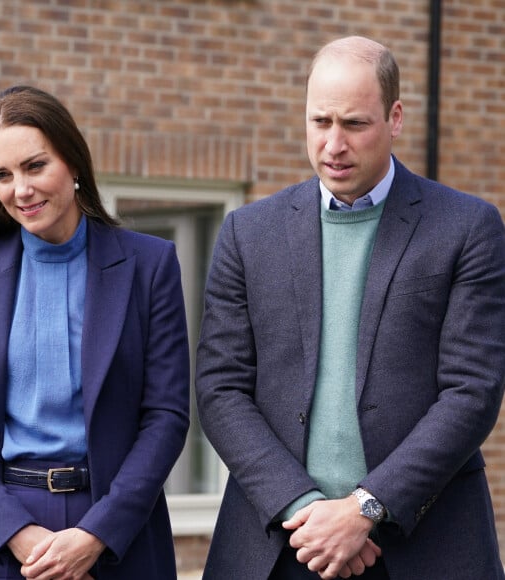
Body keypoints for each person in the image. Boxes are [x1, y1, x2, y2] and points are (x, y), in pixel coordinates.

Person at [195, 35, 505, 580]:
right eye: (321, 122)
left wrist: (367, 507)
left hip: (424, 548)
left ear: (396, 117)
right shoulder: (248, 232)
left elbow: (472, 391)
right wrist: (306, 510)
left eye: (355, 125)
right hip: (277, 546)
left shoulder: (466, 228)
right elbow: (221, 388)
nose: (333, 144)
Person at [0, 85, 190, 580]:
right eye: (1, 175)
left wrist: (96, 537)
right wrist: (18, 536)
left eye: (34, 166)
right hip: (3, 541)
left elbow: (167, 417)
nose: (19, 190)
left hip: (118, 536)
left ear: (72, 163)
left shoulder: (149, 265)